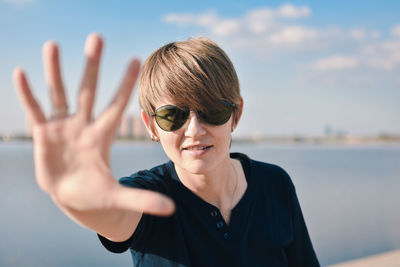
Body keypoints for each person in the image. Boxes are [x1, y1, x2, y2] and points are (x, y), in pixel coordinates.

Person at [13, 33, 320, 266]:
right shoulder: (147, 197)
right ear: (151, 126)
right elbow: (113, 215)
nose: (195, 130)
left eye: (212, 111)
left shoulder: (274, 184)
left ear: (236, 114)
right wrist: (77, 199)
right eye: (173, 115)